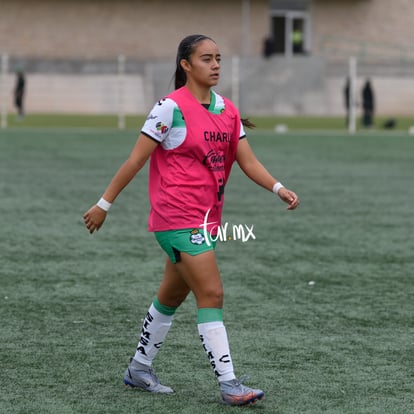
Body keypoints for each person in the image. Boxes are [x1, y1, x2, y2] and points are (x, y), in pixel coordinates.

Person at [83, 34, 299, 406]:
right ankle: (230, 385)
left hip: (205, 220)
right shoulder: (169, 107)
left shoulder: (227, 110)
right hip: (175, 217)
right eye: (206, 59)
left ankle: (139, 368)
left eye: (218, 58)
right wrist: (104, 204)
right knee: (212, 293)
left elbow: (247, 161)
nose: (215, 65)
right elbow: (136, 160)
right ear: (185, 65)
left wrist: (278, 187)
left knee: (172, 294)